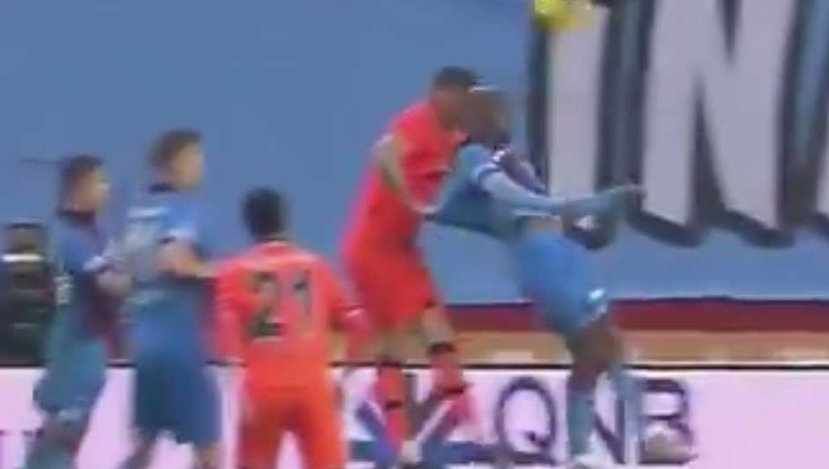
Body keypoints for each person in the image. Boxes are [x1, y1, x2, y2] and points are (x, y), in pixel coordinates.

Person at [413, 87, 693, 469]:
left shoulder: (510, 159)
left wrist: (606, 205)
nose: (503, 117)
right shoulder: (474, 157)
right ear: (471, 122)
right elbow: (505, 193)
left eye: (502, 110)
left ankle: (587, 453)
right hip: (547, 263)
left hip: (564, 257)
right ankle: (641, 438)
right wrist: (558, 205)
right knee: (605, 344)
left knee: (593, 354)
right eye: (492, 111)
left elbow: (546, 216)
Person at [341, 66, 480, 463]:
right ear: (442, 94)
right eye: (462, 98)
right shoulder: (417, 121)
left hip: (404, 249)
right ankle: (403, 442)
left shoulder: (457, 137)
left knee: (438, 331)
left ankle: (472, 426)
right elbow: (383, 154)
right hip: (372, 248)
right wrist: (407, 197)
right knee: (394, 341)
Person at [215, 187, 370, 469]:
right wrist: (344, 377)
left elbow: (227, 341)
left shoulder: (233, 272)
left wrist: (237, 389)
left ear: (248, 225)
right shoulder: (316, 266)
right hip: (313, 388)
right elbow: (359, 326)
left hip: (262, 389)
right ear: (286, 219)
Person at [119, 129, 220, 469]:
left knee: (144, 448)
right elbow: (173, 260)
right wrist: (218, 272)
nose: (201, 165)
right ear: (176, 163)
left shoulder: (137, 215)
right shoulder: (182, 209)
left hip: (145, 346)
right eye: (196, 157)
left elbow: (123, 272)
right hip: (181, 348)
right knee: (209, 454)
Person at [24, 155, 130, 468]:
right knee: (65, 431)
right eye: (101, 181)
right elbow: (110, 285)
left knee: (68, 434)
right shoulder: (71, 237)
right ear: (80, 187)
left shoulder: (98, 234)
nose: (107, 189)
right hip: (74, 347)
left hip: (91, 345)